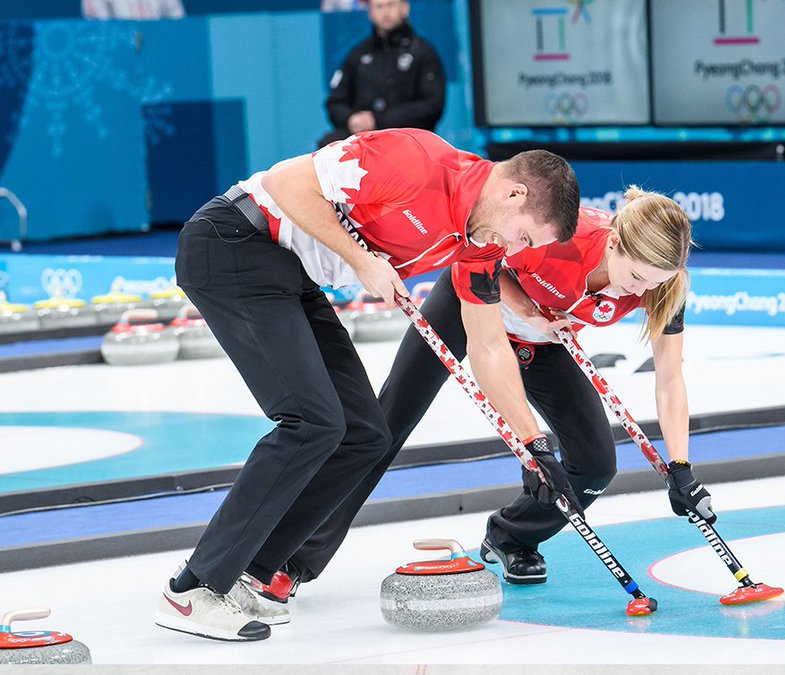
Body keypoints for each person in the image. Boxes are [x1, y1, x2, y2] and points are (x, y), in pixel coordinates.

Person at [156, 128, 579, 642]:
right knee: (311, 422)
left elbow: (487, 345)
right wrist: (363, 261)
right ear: (515, 194)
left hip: (291, 275)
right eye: (524, 237)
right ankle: (193, 589)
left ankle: (253, 571)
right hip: (234, 243)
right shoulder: (418, 160)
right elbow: (290, 184)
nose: (515, 249)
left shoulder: (478, 241)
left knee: (365, 434)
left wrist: (531, 443)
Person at [285, 187, 712, 588]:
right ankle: (294, 555)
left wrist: (681, 466)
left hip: (539, 340)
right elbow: (482, 257)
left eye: (654, 283)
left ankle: (512, 534)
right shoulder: (562, 234)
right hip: (468, 302)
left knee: (596, 465)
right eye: (637, 277)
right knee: (384, 428)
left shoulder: (665, 285)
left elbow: (670, 377)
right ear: (614, 242)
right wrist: (526, 307)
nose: (640, 291)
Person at [319, 0, 445, 148]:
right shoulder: (358, 54)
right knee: (328, 145)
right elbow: (336, 101)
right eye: (379, 6)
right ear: (370, 12)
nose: (385, 12)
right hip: (365, 139)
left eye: (390, 5)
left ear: (405, 8)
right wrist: (351, 119)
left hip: (409, 139)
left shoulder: (422, 52)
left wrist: (380, 120)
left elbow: (432, 105)